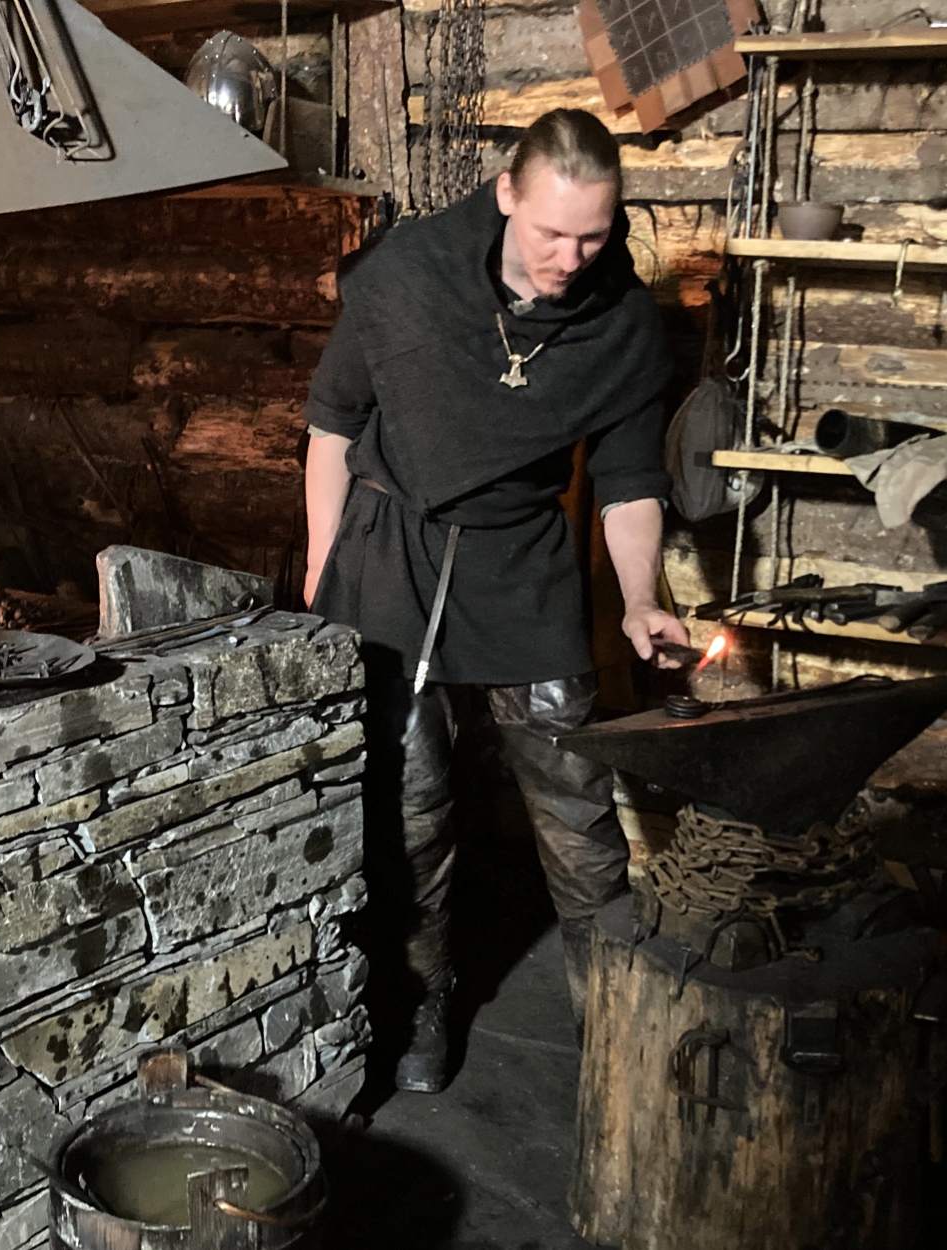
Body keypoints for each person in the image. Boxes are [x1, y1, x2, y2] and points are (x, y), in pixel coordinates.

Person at [300, 108, 690, 1093]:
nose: (569, 256)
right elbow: (331, 418)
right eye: (550, 232)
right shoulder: (406, 275)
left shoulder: (619, 325)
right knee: (411, 808)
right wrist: (318, 563)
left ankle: (620, 1025)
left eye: (593, 236)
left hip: (522, 564)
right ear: (506, 194)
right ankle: (423, 1004)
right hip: (395, 557)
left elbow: (630, 476)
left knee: (577, 809)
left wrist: (639, 597)